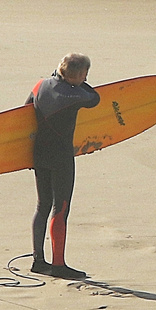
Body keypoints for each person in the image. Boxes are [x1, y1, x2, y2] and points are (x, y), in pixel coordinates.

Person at [29, 52, 101, 280]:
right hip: (61, 158)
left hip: (39, 155)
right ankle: (58, 265)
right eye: (85, 73)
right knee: (60, 209)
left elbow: (24, 111)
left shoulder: (40, 85)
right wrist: (80, 83)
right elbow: (94, 98)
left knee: (42, 206)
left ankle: (38, 262)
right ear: (79, 74)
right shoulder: (74, 95)